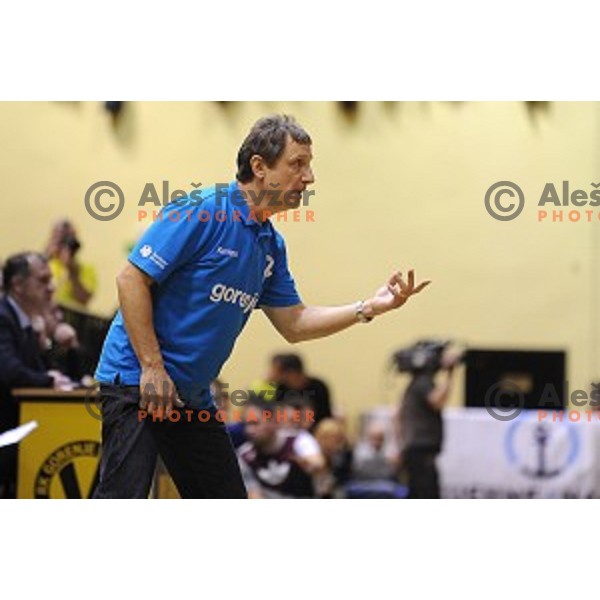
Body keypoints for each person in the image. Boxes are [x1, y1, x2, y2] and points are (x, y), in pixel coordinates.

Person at [92, 114, 431, 499]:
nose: (309, 177)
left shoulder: (270, 245)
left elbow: (296, 322)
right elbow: (131, 279)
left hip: (190, 395)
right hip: (138, 381)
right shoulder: (204, 210)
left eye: (309, 164)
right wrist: (152, 367)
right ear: (259, 166)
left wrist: (368, 307)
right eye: (297, 163)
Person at [0, 252, 71, 498]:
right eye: (42, 280)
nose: (51, 288)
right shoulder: (3, 316)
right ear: (18, 285)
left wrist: (52, 343)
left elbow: (45, 370)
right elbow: (9, 370)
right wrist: (48, 380)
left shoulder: (26, 320)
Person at [397, 344, 461, 499]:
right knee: (427, 494)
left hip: (414, 449)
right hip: (421, 450)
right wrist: (450, 373)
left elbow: (397, 414)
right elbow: (437, 401)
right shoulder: (423, 382)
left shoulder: (414, 383)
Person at [237, 398, 325, 499]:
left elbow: (318, 463)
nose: (249, 430)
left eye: (255, 423)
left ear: (273, 421)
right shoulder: (244, 457)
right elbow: (253, 495)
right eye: (245, 424)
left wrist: (311, 465)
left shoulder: (298, 440)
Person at [268, 353, 333, 429]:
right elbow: (276, 414)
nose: (273, 374)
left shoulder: (318, 387)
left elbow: (325, 416)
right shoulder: (281, 388)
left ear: (291, 372)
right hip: (288, 431)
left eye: (277, 371)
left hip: (316, 431)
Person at [45, 219, 97, 310]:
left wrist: (72, 272)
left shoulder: (86, 269)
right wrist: (47, 254)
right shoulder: (45, 264)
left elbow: (83, 300)